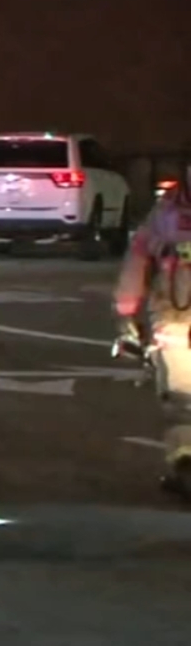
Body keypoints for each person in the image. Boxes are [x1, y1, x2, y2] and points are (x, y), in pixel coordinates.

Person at [114, 177, 191, 496]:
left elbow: (139, 258)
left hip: (174, 315)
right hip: (174, 317)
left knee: (181, 400)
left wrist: (126, 311)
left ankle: (185, 463)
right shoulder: (165, 212)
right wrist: (126, 310)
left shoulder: (166, 212)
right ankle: (185, 464)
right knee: (180, 400)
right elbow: (139, 259)